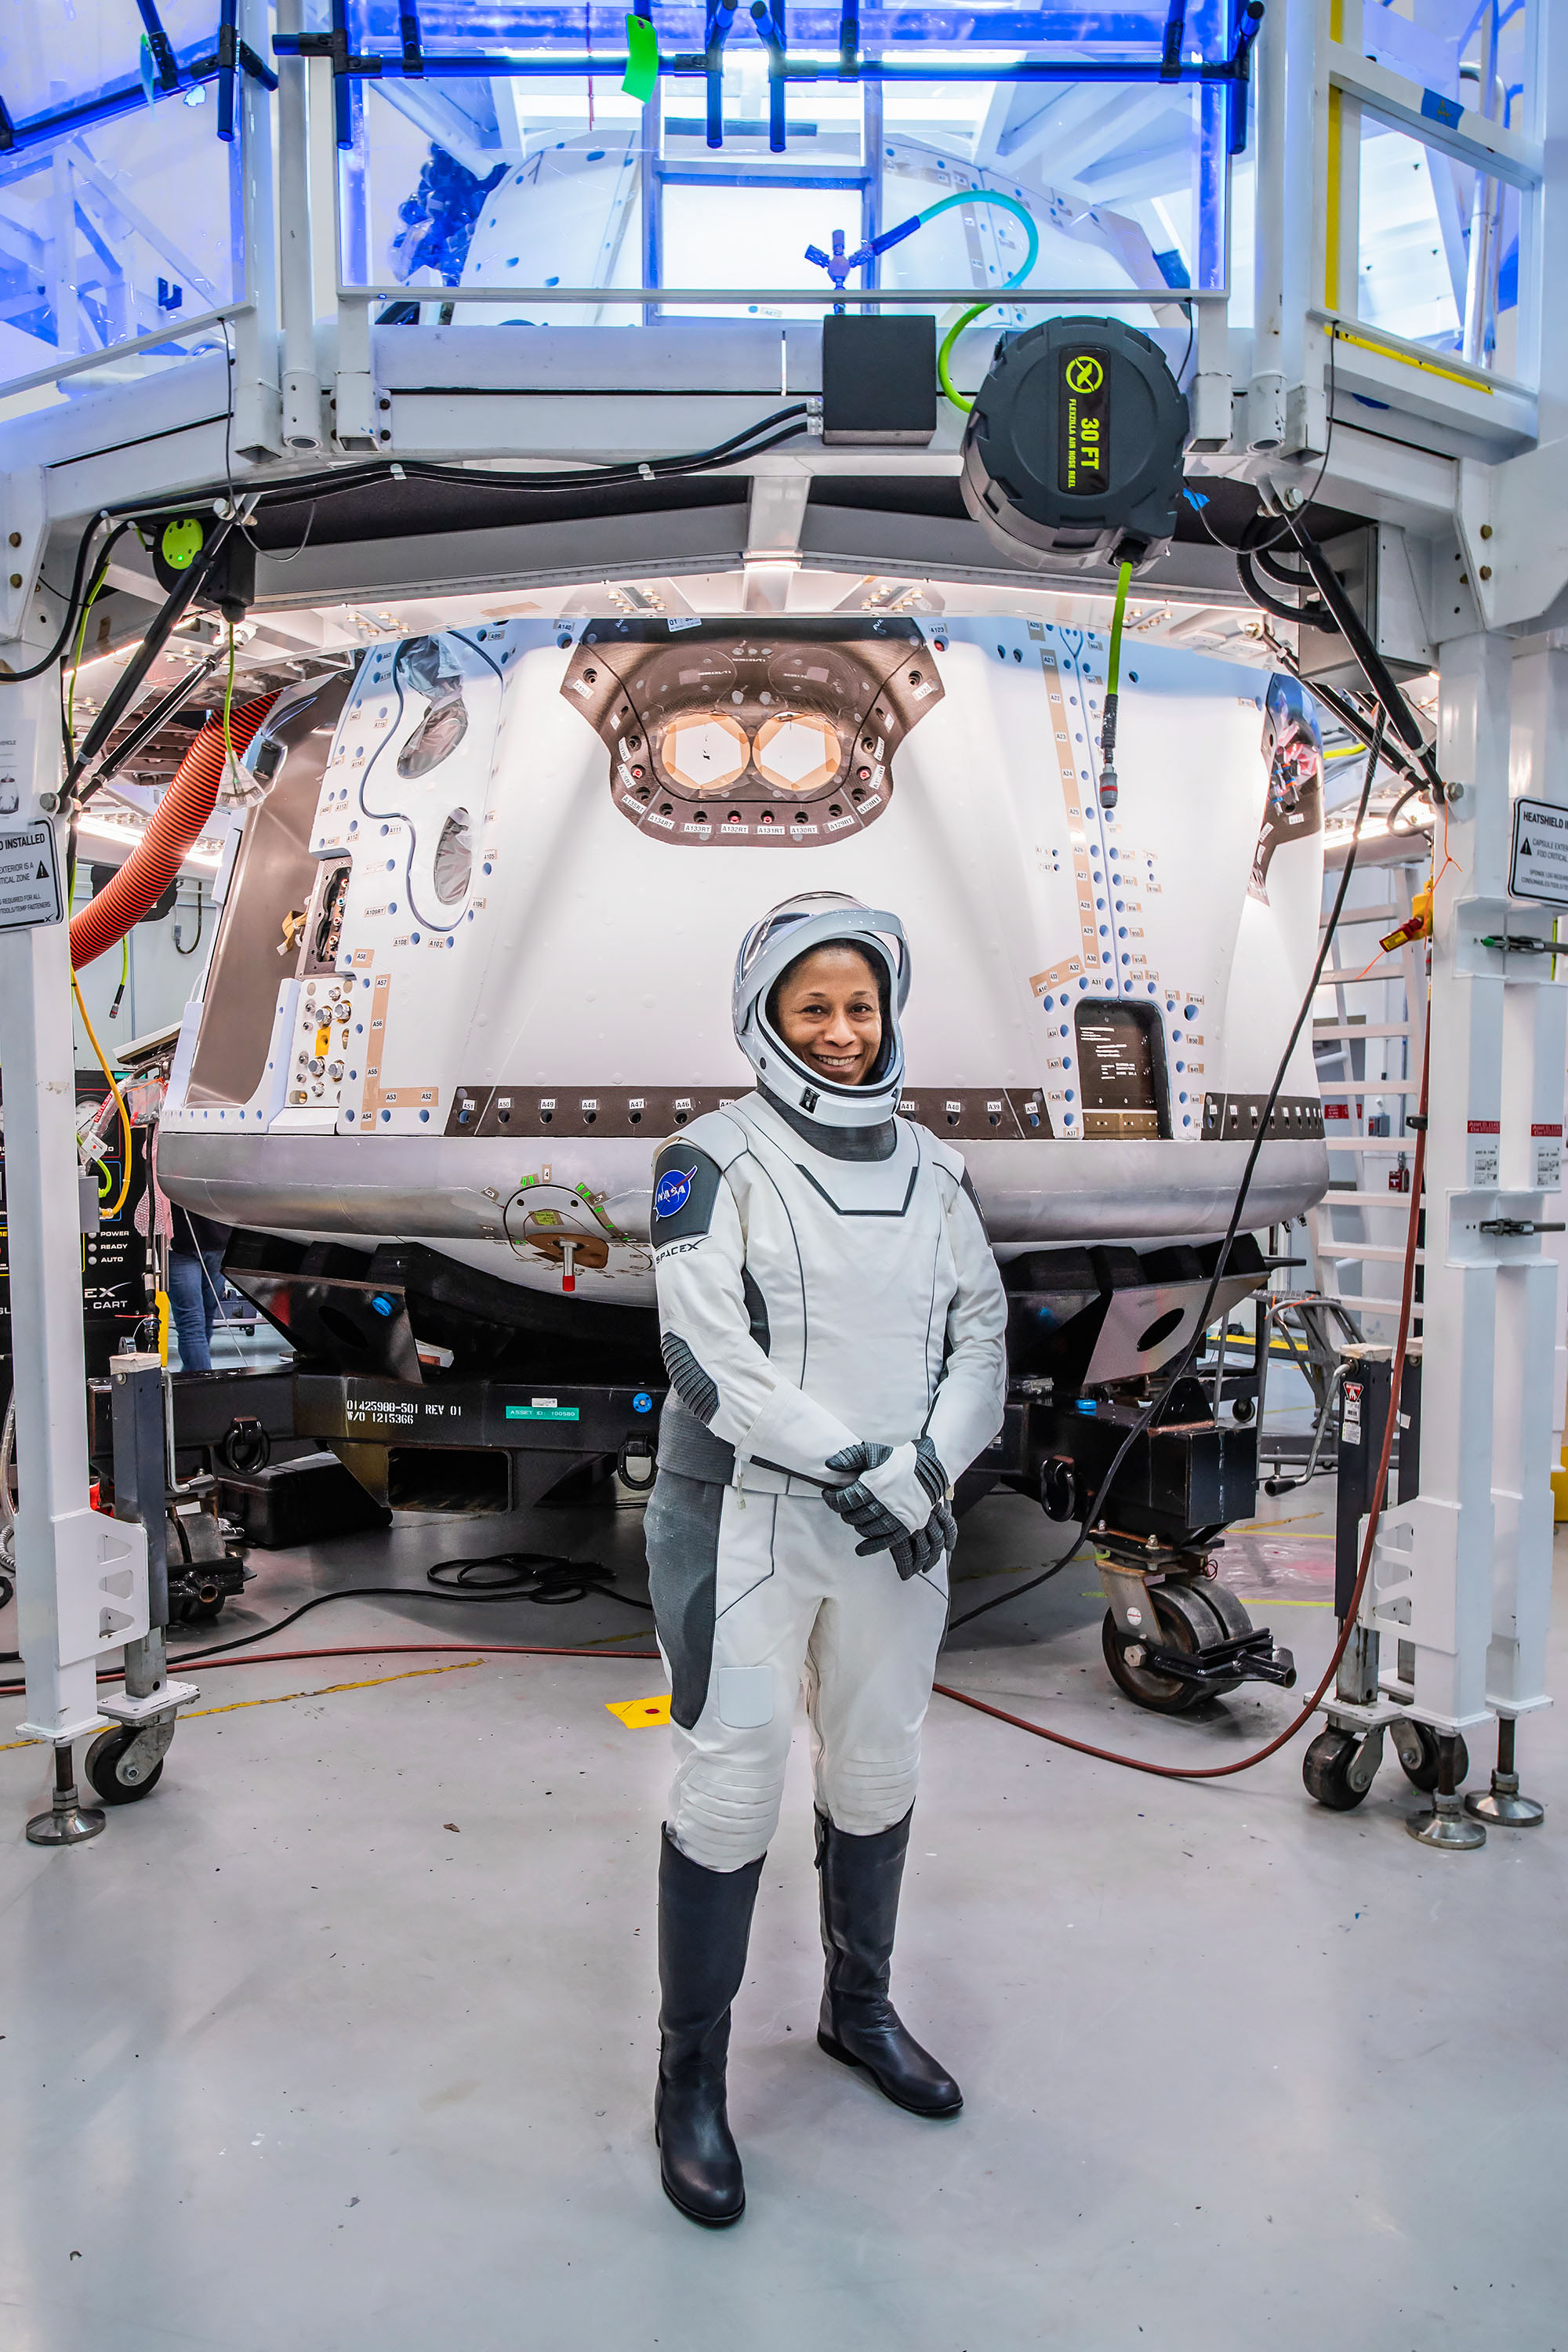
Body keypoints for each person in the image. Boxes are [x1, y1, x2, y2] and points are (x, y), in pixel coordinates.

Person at [644, 891, 1008, 2226]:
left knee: (876, 1769)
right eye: (816, 1007)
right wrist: (857, 1463)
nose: (845, 1031)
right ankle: (689, 2082)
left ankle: (860, 2011)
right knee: (730, 1789)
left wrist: (926, 1470)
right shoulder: (708, 1157)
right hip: (747, 1517)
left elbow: (982, 1338)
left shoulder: (937, 1171)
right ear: (765, 1018)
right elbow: (704, 1355)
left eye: (862, 1005)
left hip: (899, 1525)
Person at [167, 1206, 234, 1374]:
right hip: (218, 1239)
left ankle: (200, 1383)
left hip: (183, 1242)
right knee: (201, 1321)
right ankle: (196, 1379)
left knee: (192, 1322)